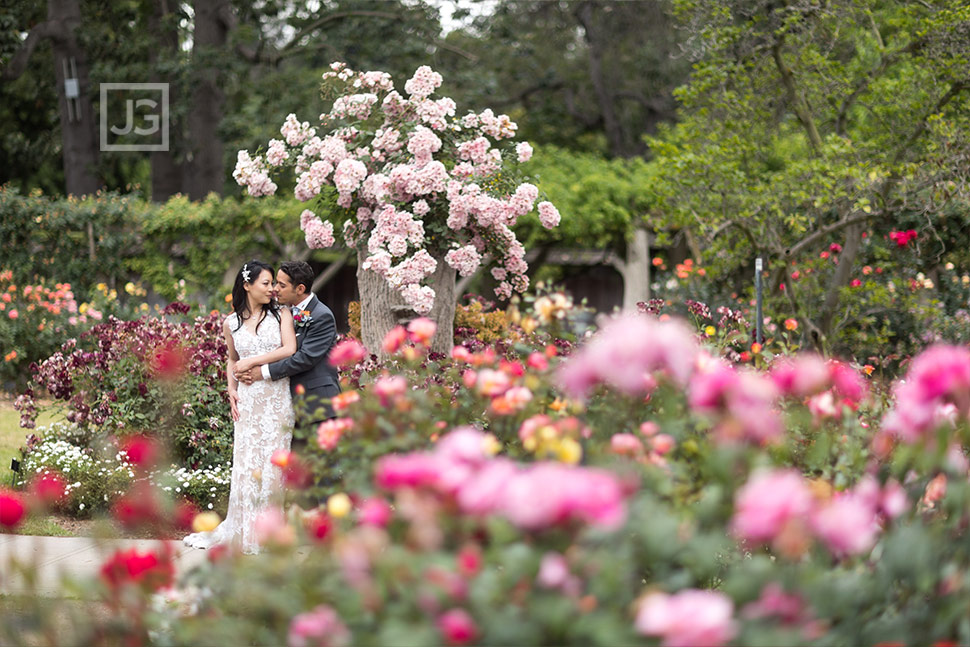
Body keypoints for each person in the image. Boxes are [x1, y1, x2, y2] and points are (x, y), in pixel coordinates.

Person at [183, 260, 296, 555]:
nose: (272, 288)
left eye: (274, 283)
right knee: (247, 467)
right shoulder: (230, 323)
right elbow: (232, 359)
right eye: (266, 283)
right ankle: (245, 531)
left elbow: (289, 349)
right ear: (247, 285)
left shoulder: (282, 314)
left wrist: (253, 361)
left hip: (275, 401)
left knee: (273, 467)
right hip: (247, 401)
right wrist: (231, 388)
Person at [235, 260, 340, 430]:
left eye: (281, 285)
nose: (275, 288)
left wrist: (261, 372)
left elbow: (305, 358)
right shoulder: (286, 313)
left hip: (319, 405)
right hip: (290, 404)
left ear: (300, 289)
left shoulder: (322, 316)